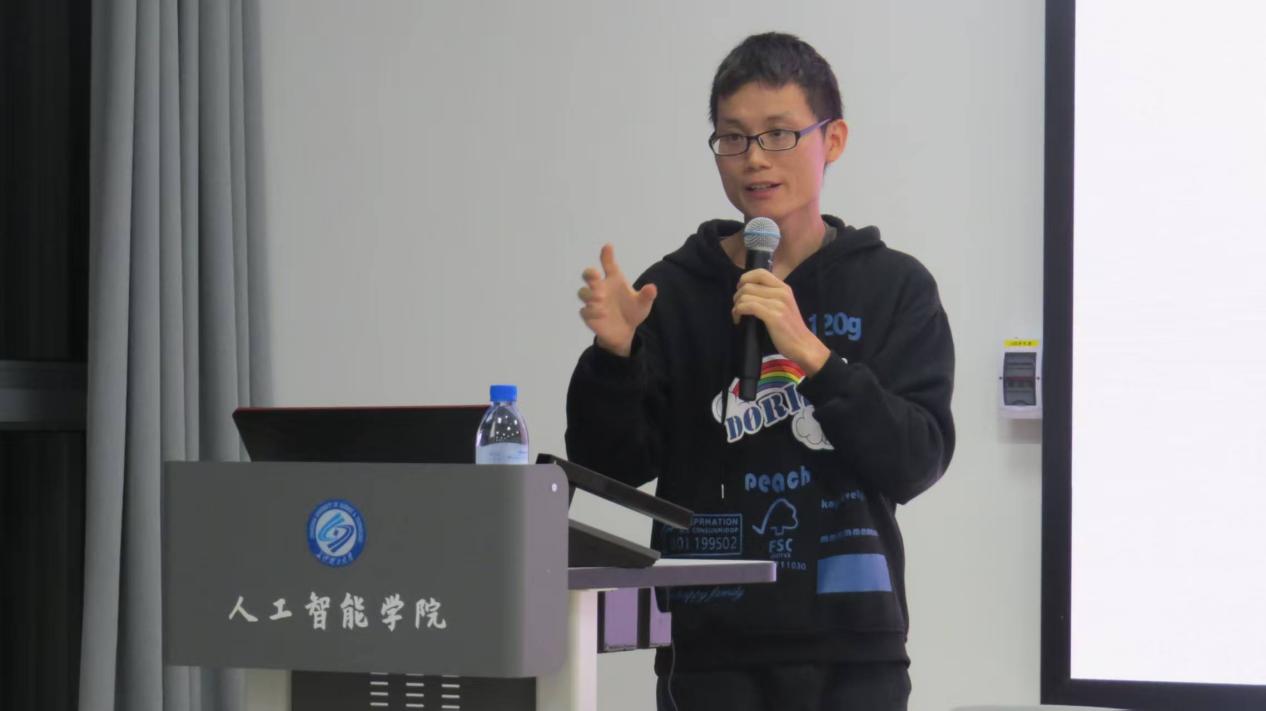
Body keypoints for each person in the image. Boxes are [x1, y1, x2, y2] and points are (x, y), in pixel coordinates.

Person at [565, 32, 955, 711]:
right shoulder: (672, 290)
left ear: (833, 140)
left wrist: (815, 357)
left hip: (853, 646)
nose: (754, 158)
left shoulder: (895, 287)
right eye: (733, 137)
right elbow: (611, 466)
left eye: (779, 134)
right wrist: (615, 359)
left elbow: (916, 460)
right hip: (708, 648)